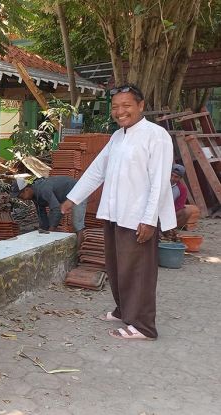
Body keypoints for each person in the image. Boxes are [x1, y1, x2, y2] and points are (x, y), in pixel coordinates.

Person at [61, 84, 175, 341]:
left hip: (138, 217)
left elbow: (159, 181)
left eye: (126, 106)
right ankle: (124, 309)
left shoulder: (156, 136)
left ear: (141, 106)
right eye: (115, 107)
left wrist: (149, 219)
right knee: (117, 267)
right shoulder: (117, 137)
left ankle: (144, 326)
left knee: (139, 271)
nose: (120, 112)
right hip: (114, 213)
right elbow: (96, 170)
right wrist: (73, 199)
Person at [11, 176, 87, 240]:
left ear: (26, 190)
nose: (21, 199)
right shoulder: (34, 195)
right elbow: (41, 212)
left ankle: (78, 252)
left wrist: (51, 229)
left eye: (20, 196)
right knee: (50, 223)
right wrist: (43, 230)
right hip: (63, 196)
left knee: (77, 224)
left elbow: (57, 209)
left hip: (78, 191)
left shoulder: (43, 189)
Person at [170, 164, 201, 229]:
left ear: (180, 178)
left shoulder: (182, 189)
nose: (172, 178)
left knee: (185, 212)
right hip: (156, 210)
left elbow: (179, 205)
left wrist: (168, 211)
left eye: (176, 177)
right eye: (171, 175)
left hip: (169, 211)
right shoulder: (160, 183)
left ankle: (170, 229)